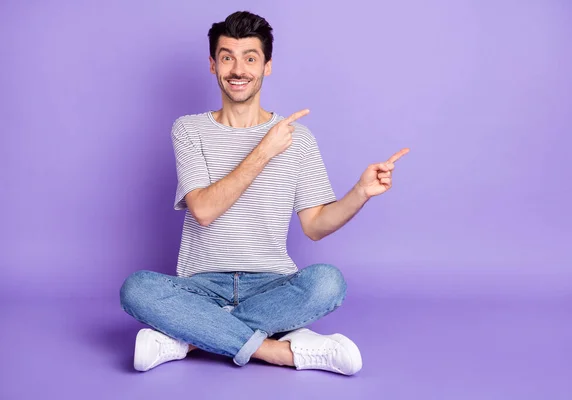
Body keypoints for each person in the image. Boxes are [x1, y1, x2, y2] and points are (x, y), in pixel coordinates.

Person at [119, 10, 409, 376]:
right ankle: (282, 351)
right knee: (136, 289)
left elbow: (316, 226)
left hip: (271, 285)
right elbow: (205, 210)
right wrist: (264, 151)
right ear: (212, 65)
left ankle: (189, 336)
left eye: (250, 58)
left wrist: (360, 193)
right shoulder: (189, 130)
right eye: (227, 57)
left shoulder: (298, 139)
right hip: (200, 286)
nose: (238, 69)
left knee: (328, 282)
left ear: (267, 66)